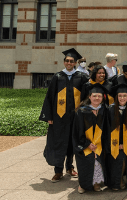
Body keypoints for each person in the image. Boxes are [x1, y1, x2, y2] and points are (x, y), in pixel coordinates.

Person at [40, 48, 89, 182]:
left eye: (71, 61)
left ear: (75, 63)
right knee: (58, 142)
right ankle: (58, 170)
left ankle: (69, 167)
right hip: (58, 117)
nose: (68, 63)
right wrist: (49, 116)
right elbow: (49, 97)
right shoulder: (57, 77)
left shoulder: (81, 77)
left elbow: (87, 95)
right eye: (66, 61)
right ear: (64, 62)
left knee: (71, 143)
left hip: (75, 117)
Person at [73, 83, 109, 194]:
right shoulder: (82, 111)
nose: (96, 98)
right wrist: (87, 144)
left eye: (99, 96)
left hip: (99, 144)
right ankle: (83, 184)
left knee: (98, 162)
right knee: (86, 162)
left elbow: (107, 130)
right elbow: (77, 131)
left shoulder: (105, 110)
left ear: (102, 98)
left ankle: (96, 183)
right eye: (94, 96)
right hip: (85, 144)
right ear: (89, 97)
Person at [105, 83, 127, 191]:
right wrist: (115, 144)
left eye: (125, 96)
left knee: (124, 159)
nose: (122, 98)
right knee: (118, 159)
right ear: (116, 97)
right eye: (120, 96)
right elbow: (107, 129)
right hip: (113, 144)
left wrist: (125, 143)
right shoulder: (110, 110)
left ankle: (122, 180)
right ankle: (117, 181)